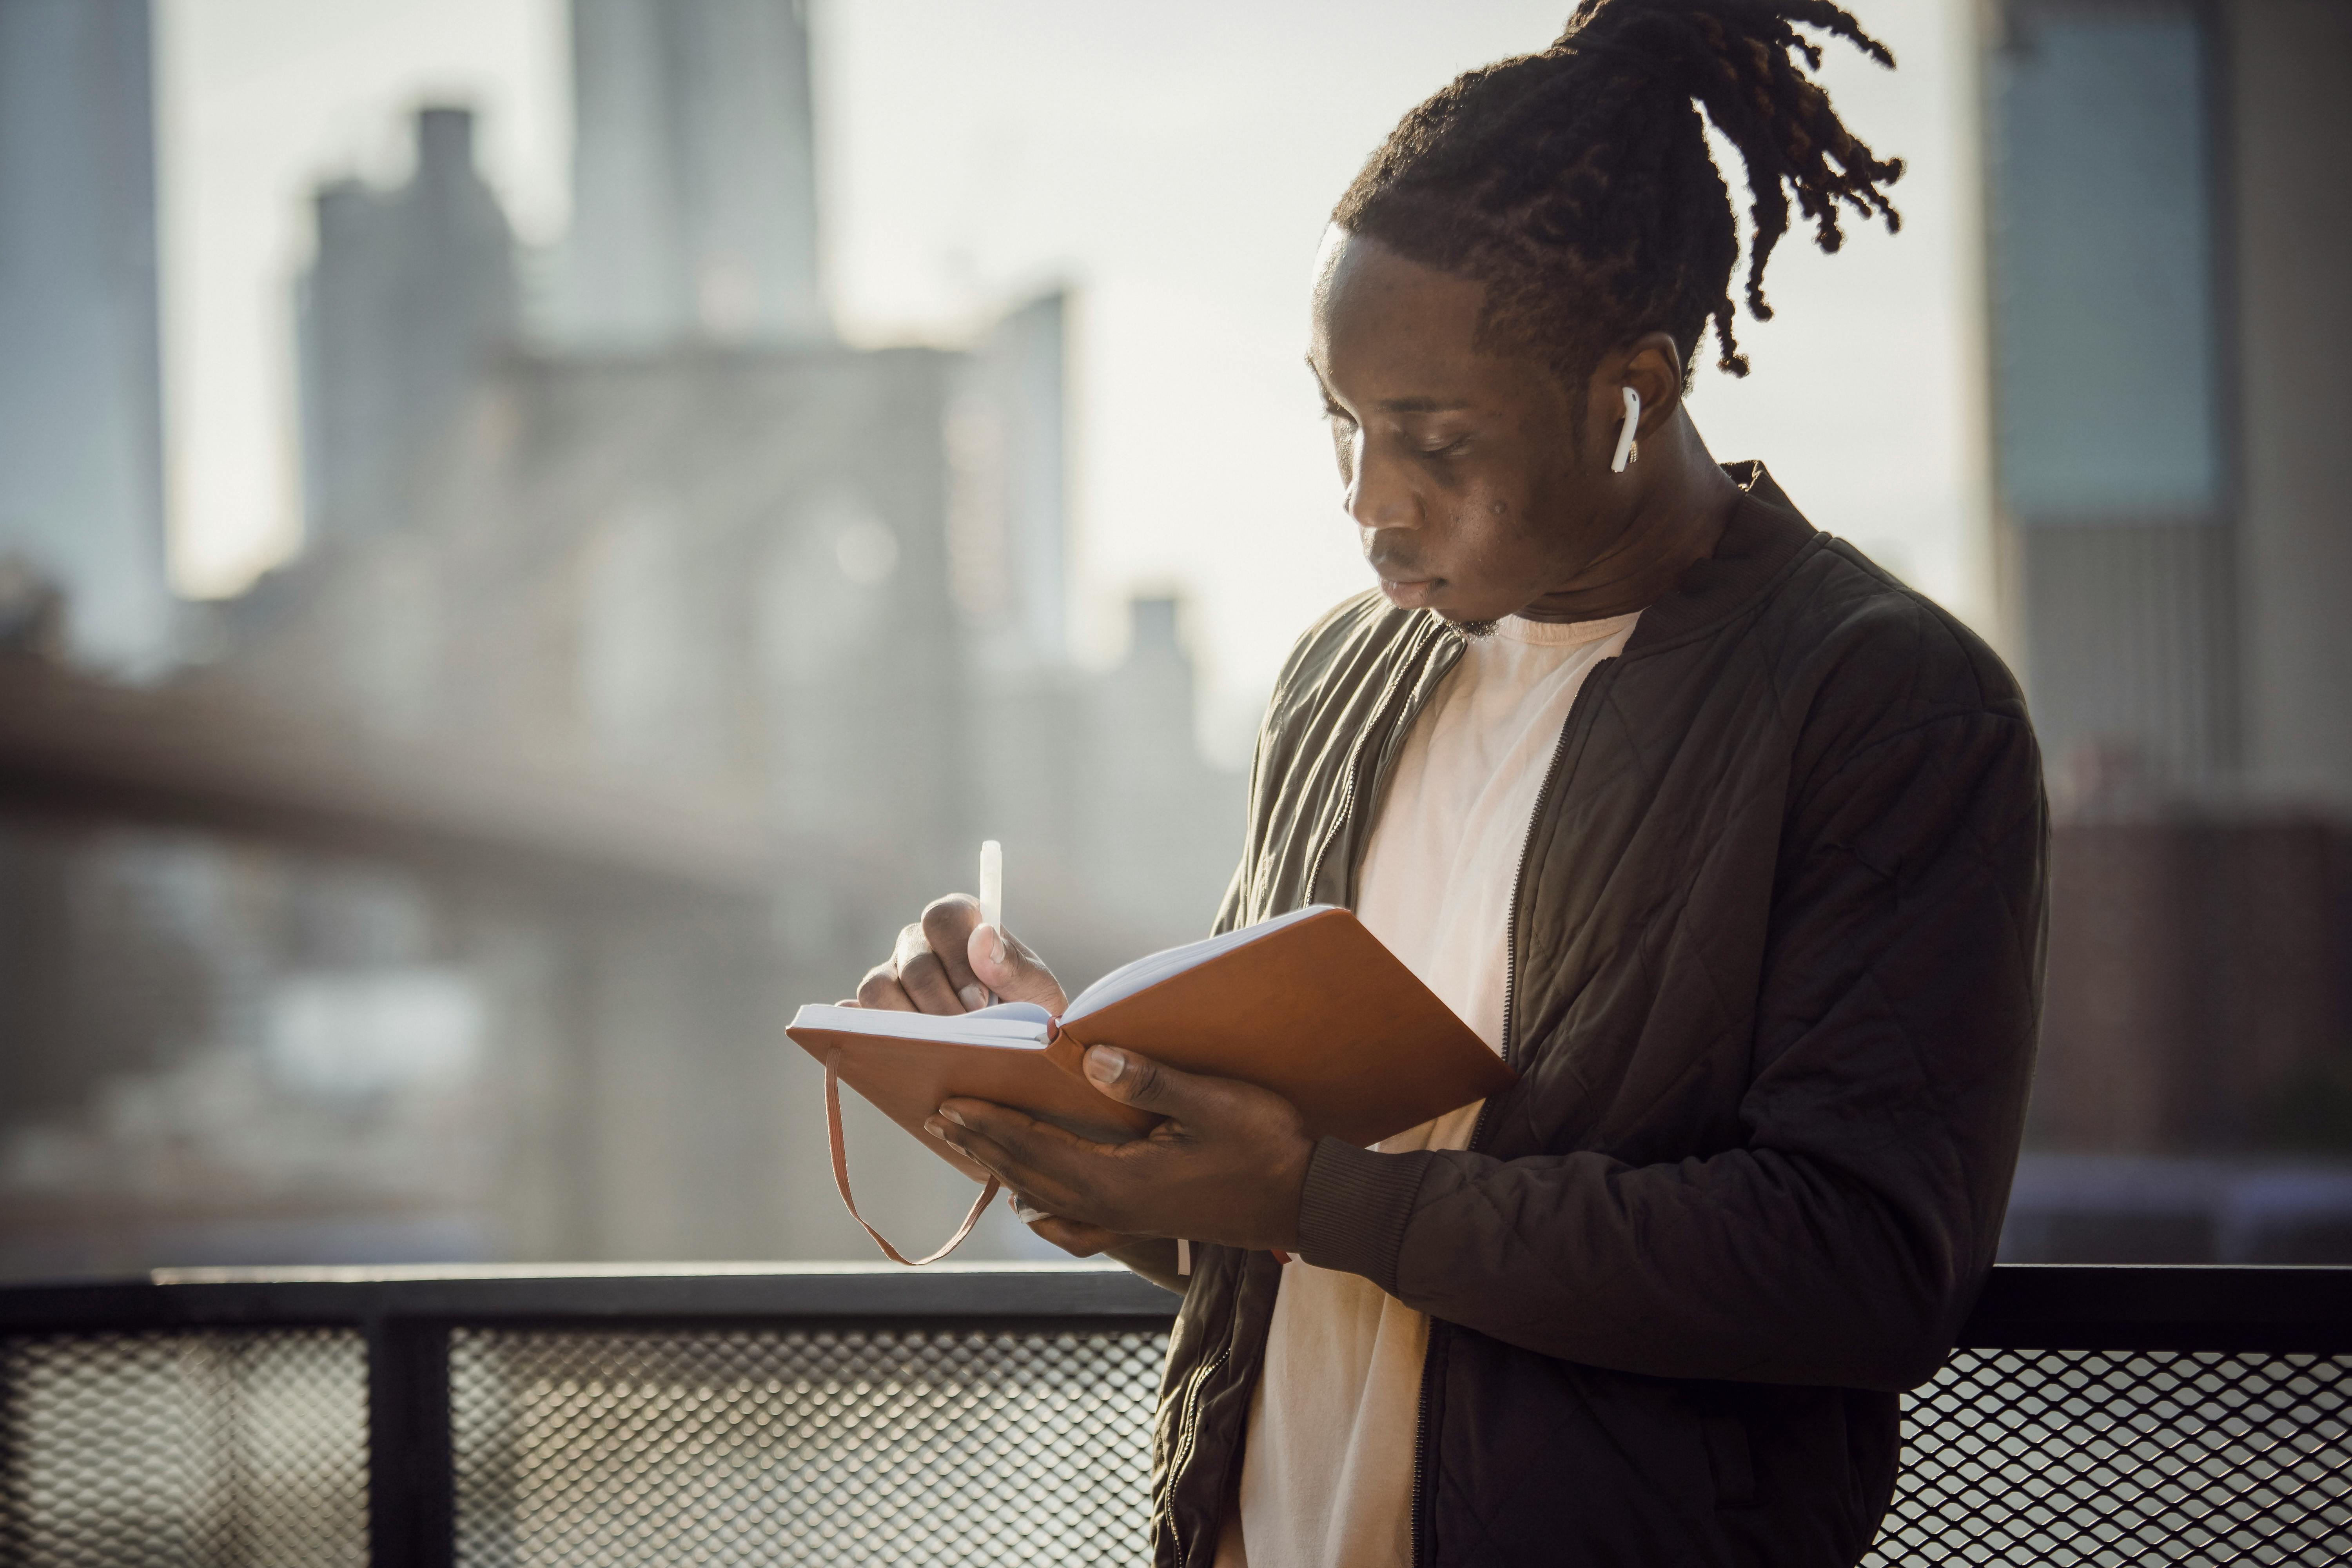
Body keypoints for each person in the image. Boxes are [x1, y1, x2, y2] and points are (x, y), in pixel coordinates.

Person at [849, 2, 2046, 1563]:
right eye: (1340, 420)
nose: (1366, 501)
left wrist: (1318, 1201)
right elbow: (1277, 1219)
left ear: (1637, 388)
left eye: (1434, 440)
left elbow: (1863, 1264)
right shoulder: (1342, 675)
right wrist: (1068, 1120)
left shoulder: (1887, 703)